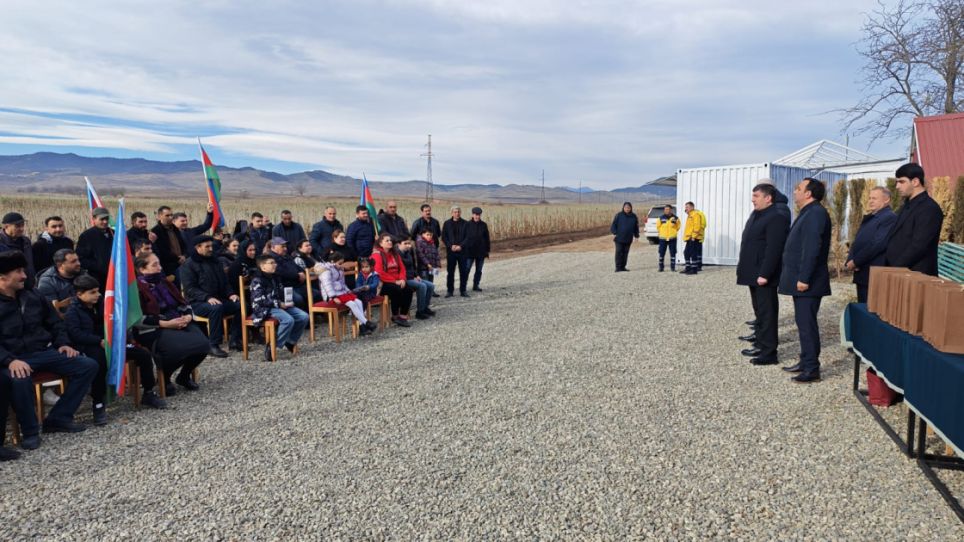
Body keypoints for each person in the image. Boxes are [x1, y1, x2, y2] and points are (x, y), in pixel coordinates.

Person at [0, 251, 98, 450]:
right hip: (12, 358)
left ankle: (58, 418)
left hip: (42, 352)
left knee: (87, 365)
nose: (25, 275)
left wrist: (62, 343)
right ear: (2, 277)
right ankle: (30, 432)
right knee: (19, 379)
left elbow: (54, 323)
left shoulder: (33, 295)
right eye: (18, 271)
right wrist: (10, 360)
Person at [65, 274, 166, 424]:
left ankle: (148, 392)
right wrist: (98, 341)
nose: (98, 295)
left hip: (111, 343)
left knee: (143, 354)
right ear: (79, 294)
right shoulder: (73, 311)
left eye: (98, 291)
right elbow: (76, 334)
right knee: (99, 363)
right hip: (91, 346)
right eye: (92, 292)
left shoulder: (103, 304)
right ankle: (98, 403)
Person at [778, 178, 832, 383]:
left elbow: (812, 248)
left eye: (799, 188)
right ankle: (805, 361)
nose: (795, 191)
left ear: (808, 193)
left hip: (808, 282)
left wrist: (804, 278)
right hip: (802, 280)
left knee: (807, 325)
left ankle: (811, 368)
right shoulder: (808, 212)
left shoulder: (816, 213)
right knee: (803, 323)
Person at [133, 253, 208, 393]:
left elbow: (183, 302)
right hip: (153, 327)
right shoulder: (135, 288)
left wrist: (188, 316)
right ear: (142, 269)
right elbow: (136, 319)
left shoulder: (164, 282)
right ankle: (165, 378)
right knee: (177, 349)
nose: (160, 267)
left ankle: (183, 376)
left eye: (159, 263)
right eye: (155, 265)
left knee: (203, 345)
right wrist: (165, 324)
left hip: (176, 320)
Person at [736, 183, 790, 366]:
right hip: (753, 272)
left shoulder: (776, 216)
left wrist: (765, 273)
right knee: (759, 311)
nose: (753, 199)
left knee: (767, 313)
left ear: (768, 198)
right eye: (753, 196)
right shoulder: (759, 214)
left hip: (763, 275)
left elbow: (774, 249)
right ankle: (760, 343)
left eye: (756, 196)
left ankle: (769, 352)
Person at [181, 235, 242, 356]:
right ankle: (213, 345)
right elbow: (190, 288)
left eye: (211, 246)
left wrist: (231, 294)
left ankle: (235, 340)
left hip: (218, 298)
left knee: (241, 305)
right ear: (198, 247)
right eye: (207, 246)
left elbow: (225, 282)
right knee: (216, 308)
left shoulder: (215, 261)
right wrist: (207, 297)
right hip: (197, 302)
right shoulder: (189, 264)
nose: (211, 249)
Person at [884, 162, 945, 276]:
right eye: (897, 182)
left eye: (902, 182)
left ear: (915, 182)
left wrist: (894, 268)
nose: (897, 186)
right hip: (900, 273)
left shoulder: (929, 208)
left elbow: (919, 246)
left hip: (916, 276)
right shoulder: (907, 205)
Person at [250, 254, 309, 361]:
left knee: (303, 316)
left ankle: (290, 341)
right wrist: (278, 303)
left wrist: (287, 301)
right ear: (263, 266)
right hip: (264, 308)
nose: (275, 265)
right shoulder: (257, 280)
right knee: (288, 320)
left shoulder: (275, 277)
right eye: (271, 263)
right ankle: (272, 346)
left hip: (279, 305)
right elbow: (259, 300)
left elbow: (280, 292)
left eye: (275, 262)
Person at [846, 186, 897, 303]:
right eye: (869, 198)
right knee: (863, 306)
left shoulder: (889, 218)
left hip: (873, 274)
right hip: (862, 271)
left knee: (870, 307)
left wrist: (856, 261)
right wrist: (851, 259)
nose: (870, 201)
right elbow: (858, 241)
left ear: (886, 200)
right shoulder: (872, 217)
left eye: (874, 198)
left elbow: (877, 244)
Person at [316, 252, 377, 335]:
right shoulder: (326, 271)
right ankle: (366, 323)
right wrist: (333, 297)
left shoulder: (339, 269)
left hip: (342, 293)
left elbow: (342, 283)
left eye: (342, 263)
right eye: (340, 263)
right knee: (352, 304)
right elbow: (327, 285)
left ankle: (362, 327)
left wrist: (348, 290)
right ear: (332, 261)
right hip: (331, 296)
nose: (341, 265)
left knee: (359, 302)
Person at [370, 233, 413, 327]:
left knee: (408, 289)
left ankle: (403, 316)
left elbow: (402, 268)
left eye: (391, 240)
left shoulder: (395, 253)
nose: (390, 242)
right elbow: (379, 272)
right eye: (387, 241)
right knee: (396, 290)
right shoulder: (377, 255)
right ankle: (395, 315)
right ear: (380, 243)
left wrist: (402, 279)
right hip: (383, 283)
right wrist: (395, 281)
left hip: (397, 280)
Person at [75, 207, 114, 290]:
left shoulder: (114, 234)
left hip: (114, 276)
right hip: (97, 278)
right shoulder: (87, 236)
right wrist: (100, 266)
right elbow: (81, 258)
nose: (105, 222)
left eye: (107, 219)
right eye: (102, 219)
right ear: (94, 219)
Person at [398, 236, 435, 319]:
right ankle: (420, 312)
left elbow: (412, 266)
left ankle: (425, 308)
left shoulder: (408, 252)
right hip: (404, 279)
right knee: (422, 286)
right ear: (399, 244)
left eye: (409, 243)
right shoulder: (397, 255)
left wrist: (416, 275)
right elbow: (399, 270)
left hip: (412, 277)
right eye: (405, 244)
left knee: (431, 285)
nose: (408, 245)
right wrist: (411, 277)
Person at [267, 237, 308, 309]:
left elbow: (296, 266)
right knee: (299, 299)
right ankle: (304, 315)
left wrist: (302, 272)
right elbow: (281, 272)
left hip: (296, 284)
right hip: (285, 286)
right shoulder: (271, 258)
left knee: (316, 294)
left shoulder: (286, 256)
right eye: (282, 246)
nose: (285, 248)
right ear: (273, 247)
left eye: (285, 246)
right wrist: (297, 275)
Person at [0, 212, 36, 287]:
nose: (21, 229)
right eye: (17, 226)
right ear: (6, 226)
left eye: (22, 225)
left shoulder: (26, 241)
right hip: (8, 287)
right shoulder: (1, 243)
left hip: (28, 284)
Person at [151, 205, 187, 280]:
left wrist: (184, 255)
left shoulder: (175, 229)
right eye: (167, 215)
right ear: (159, 216)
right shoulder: (156, 231)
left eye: (171, 215)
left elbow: (182, 244)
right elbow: (162, 250)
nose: (170, 217)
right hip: (169, 266)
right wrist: (177, 259)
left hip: (182, 262)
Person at [442, 206, 470, 298]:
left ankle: (463, 290)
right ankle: (450, 291)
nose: (457, 214)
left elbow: (468, 237)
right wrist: (451, 246)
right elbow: (444, 237)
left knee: (463, 272)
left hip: (462, 251)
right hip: (451, 252)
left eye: (458, 212)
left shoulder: (466, 223)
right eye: (455, 212)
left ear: (460, 213)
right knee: (450, 272)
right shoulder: (447, 223)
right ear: (451, 213)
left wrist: (461, 246)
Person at [464, 207, 491, 291]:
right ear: (472, 215)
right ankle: (463, 286)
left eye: (478, 215)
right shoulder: (467, 225)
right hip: (469, 252)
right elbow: (463, 238)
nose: (477, 216)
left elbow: (487, 238)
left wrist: (487, 250)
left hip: (481, 252)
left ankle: (476, 285)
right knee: (467, 269)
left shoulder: (484, 225)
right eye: (475, 215)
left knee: (479, 270)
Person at [610, 202, 639, 272]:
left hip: (628, 238)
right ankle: (618, 267)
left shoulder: (634, 216)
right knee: (619, 252)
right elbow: (613, 225)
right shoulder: (619, 215)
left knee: (625, 253)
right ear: (623, 208)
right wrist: (614, 233)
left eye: (628, 207)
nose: (627, 209)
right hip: (619, 238)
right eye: (625, 207)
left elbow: (636, 227)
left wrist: (636, 236)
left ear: (631, 208)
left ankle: (623, 267)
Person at [681, 202, 707, 275]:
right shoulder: (690, 215)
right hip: (689, 237)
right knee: (686, 252)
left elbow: (697, 226)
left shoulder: (695, 214)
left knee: (693, 253)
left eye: (687, 207)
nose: (686, 208)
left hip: (693, 237)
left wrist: (693, 236)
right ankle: (688, 268)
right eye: (685, 207)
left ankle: (694, 270)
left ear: (692, 207)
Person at [655, 205, 680, 272]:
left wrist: (673, 232)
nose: (667, 211)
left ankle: (673, 268)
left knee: (673, 253)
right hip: (663, 238)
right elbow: (658, 227)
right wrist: (662, 233)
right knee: (661, 253)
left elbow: (678, 226)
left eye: (668, 209)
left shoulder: (675, 218)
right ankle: (661, 267)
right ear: (664, 210)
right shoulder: (661, 218)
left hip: (672, 238)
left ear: (671, 210)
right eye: (666, 209)